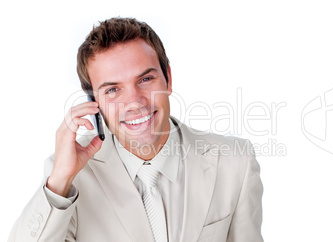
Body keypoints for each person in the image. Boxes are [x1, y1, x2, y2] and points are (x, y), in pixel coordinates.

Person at [8, 17, 263, 242]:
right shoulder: (69, 177)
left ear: (168, 79)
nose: (135, 103)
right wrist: (60, 180)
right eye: (112, 89)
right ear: (93, 102)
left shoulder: (234, 162)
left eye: (145, 79)